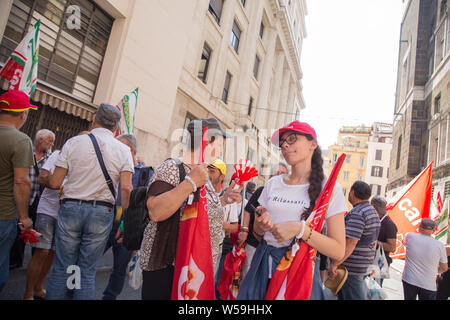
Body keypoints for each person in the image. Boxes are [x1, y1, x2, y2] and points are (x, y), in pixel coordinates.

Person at [237, 121, 348, 300]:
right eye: (282, 142)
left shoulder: (329, 189)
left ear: (313, 144)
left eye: (292, 138)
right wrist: (259, 226)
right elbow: (258, 236)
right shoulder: (273, 183)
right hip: (261, 269)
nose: (285, 145)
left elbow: (338, 250)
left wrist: (300, 229)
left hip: (298, 275)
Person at [139, 118, 242, 300]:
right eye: (219, 144)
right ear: (206, 140)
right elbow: (155, 211)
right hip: (168, 267)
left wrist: (223, 201)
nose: (221, 150)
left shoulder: (202, 174)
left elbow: (196, 209)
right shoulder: (172, 167)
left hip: (192, 269)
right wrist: (190, 182)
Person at [45, 103, 134, 300]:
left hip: (71, 207)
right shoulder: (123, 150)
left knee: (63, 268)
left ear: (94, 119)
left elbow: (55, 182)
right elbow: (127, 188)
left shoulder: (74, 142)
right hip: (102, 212)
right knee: (86, 271)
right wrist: (125, 221)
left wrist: (44, 178)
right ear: (116, 126)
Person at [102, 134, 152, 300]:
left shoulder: (145, 173)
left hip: (126, 224)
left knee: (119, 268)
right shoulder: (111, 166)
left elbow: (145, 204)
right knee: (88, 260)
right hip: (104, 218)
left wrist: (133, 229)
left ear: (130, 149)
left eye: (118, 146)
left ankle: (109, 297)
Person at [0, 90, 35, 293]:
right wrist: (24, 217)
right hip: (4, 214)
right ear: (22, 114)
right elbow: (22, 181)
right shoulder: (21, 140)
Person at [9, 128, 55, 269]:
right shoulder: (27, 153)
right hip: (23, 197)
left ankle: (36, 260)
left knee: (38, 231)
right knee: (19, 229)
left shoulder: (50, 158)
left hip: (39, 199)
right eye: (50, 140)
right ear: (40, 139)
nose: (51, 144)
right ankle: (16, 259)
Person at [328, 181, 380, 300]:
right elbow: (374, 241)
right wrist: (370, 263)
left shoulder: (358, 213)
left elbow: (351, 242)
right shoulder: (372, 211)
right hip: (361, 266)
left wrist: (335, 264)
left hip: (351, 269)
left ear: (352, 193)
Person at [238, 163, 288, 281]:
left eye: (282, 174)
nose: (277, 176)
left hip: (274, 249)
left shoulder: (288, 199)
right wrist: (244, 230)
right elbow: (247, 210)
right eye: (275, 173)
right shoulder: (261, 191)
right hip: (253, 243)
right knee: (247, 277)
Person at [402, 218, 448, 300]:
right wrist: (434, 271)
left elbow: (404, 243)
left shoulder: (410, 236)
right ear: (433, 231)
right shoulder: (440, 246)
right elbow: (444, 268)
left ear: (420, 227)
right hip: (428, 284)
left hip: (409, 279)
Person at [370, 195, 397, 287]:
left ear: (373, 206)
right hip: (370, 262)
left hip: (379, 264)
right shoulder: (376, 219)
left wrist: (376, 243)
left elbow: (392, 247)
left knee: (374, 293)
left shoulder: (389, 224)